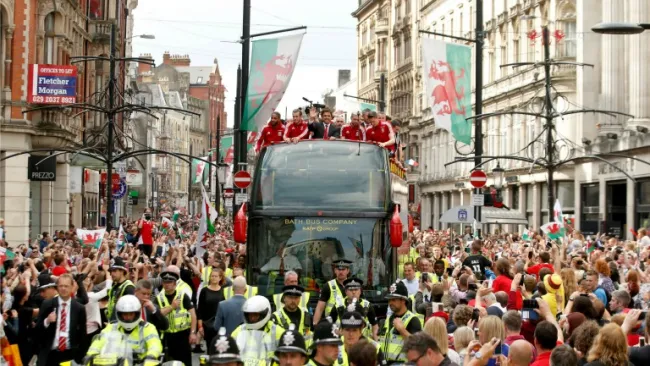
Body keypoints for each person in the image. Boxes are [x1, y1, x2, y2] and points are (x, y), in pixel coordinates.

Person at [86, 295, 162, 364]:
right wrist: (90, 354)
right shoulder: (111, 327)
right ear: (119, 314)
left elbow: (154, 344)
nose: (128, 317)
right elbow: (98, 342)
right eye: (125, 314)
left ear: (137, 313)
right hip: (113, 364)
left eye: (131, 314)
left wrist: (151, 356)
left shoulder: (147, 328)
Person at [35, 274, 87, 366]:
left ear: (72, 287)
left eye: (66, 286)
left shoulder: (79, 308)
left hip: (70, 354)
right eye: (61, 286)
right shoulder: (47, 304)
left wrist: (79, 357)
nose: (63, 288)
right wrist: (47, 321)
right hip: (50, 354)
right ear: (57, 288)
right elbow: (37, 330)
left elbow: (83, 334)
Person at [156, 268, 197, 366]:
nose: (167, 284)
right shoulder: (159, 298)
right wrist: (171, 307)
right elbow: (157, 314)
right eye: (165, 282)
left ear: (175, 284)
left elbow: (193, 315)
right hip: (167, 337)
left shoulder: (183, 296)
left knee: (185, 362)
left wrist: (192, 333)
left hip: (182, 336)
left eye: (170, 282)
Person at [231, 295, 284, 365]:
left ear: (265, 313)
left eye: (255, 315)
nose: (252, 318)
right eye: (250, 315)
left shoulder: (278, 332)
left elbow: (285, 358)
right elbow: (230, 356)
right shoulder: (239, 331)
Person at [380, 281, 422, 364]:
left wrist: (402, 330)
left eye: (394, 300)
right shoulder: (388, 319)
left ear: (403, 300)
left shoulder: (413, 320)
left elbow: (418, 346)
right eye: (389, 300)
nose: (390, 303)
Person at [314, 259, 352, 325]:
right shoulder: (328, 286)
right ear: (335, 271)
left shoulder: (354, 286)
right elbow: (320, 308)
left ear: (348, 271)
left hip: (350, 325)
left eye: (343, 269)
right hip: (331, 325)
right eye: (339, 269)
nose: (341, 272)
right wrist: (315, 325)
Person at [106, 256, 135, 322]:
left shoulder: (129, 287)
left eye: (114, 271)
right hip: (112, 324)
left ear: (122, 271)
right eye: (111, 271)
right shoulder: (114, 286)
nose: (111, 274)